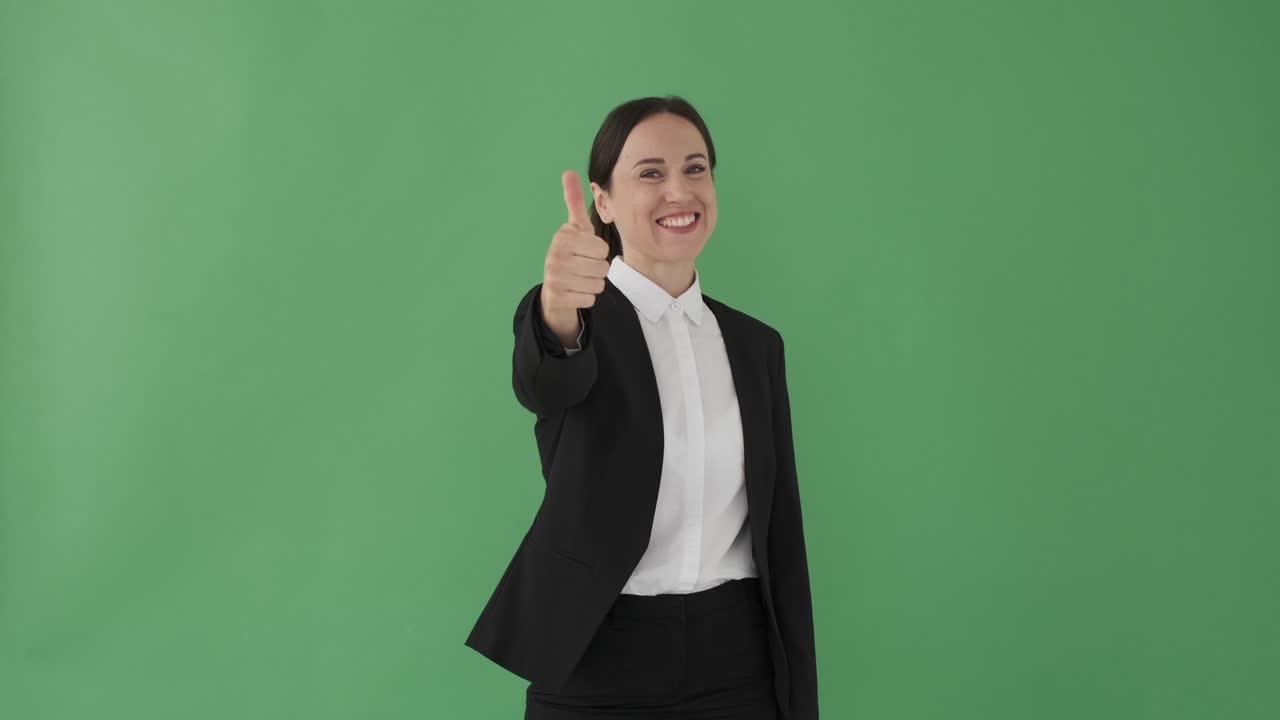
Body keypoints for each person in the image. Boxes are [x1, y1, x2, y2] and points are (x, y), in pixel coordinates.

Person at [464, 95, 819, 720]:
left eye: (695, 168)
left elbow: (780, 535)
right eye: (649, 173)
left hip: (736, 661)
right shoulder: (574, 318)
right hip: (600, 653)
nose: (679, 191)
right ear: (603, 202)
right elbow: (546, 382)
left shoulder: (755, 345)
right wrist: (558, 308)